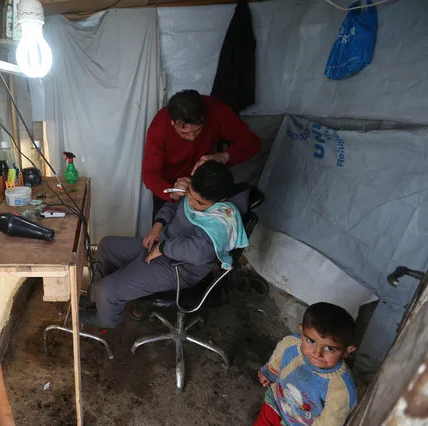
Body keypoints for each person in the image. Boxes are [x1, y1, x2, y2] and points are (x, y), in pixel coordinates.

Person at [81, 161, 248, 328]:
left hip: (179, 267)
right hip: (162, 244)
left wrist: (162, 248)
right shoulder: (195, 192)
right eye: (190, 194)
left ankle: (106, 320)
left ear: (221, 201)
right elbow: (173, 206)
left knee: (108, 290)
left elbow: (199, 253)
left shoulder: (219, 221)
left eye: (200, 203)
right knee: (107, 246)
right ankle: (97, 300)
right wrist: (158, 225)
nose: (191, 203)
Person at [142, 89, 261, 218]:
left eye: (198, 130)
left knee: (205, 231)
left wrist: (224, 156)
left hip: (205, 188)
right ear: (172, 122)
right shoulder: (160, 127)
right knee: (163, 229)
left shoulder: (217, 111)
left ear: (204, 117)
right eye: (184, 133)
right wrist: (171, 193)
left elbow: (252, 142)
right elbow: (149, 173)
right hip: (171, 186)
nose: (192, 137)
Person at [255, 302, 358, 426]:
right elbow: (277, 360)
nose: (317, 353)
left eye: (330, 349)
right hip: (275, 404)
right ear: (302, 331)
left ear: (347, 351)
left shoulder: (341, 389)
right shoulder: (290, 344)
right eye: (311, 341)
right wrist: (268, 373)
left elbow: (329, 422)